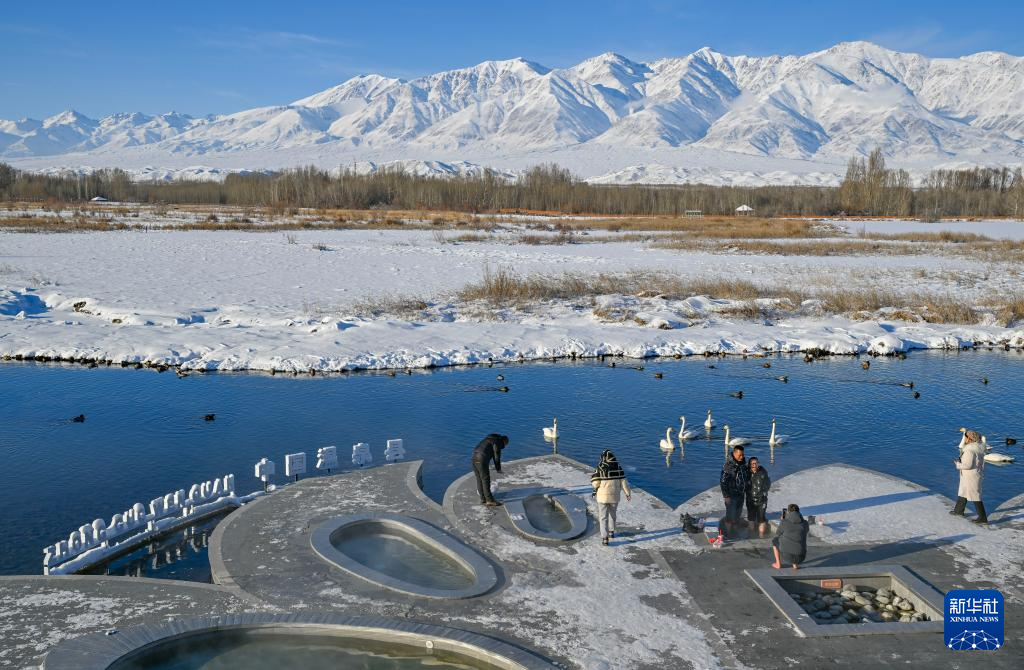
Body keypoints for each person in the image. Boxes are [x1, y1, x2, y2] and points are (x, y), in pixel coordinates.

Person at [591, 449, 631, 546]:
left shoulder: (600, 467)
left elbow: (596, 483)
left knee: (603, 517)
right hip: (614, 497)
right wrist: (627, 493)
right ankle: (611, 532)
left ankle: (605, 538)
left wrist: (594, 485)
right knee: (612, 515)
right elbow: (624, 483)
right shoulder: (618, 468)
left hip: (602, 498)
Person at [951, 429, 987, 524]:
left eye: (966, 436)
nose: (965, 438)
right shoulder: (978, 448)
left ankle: (982, 518)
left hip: (970, 476)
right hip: (974, 475)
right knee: (964, 491)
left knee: (975, 495)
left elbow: (968, 465)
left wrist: (957, 464)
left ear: (970, 439)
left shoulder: (969, 450)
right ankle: (958, 510)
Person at [472, 434, 508, 507]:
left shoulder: (488, 439)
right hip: (481, 458)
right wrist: (498, 469)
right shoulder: (497, 442)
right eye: (505, 445)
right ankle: (489, 500)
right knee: (485, 479)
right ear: (503, 442)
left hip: (474, 457)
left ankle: (483, 499)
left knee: (479, 479)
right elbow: (496, 456)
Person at [720, 446, 749, 531]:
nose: (742, 457)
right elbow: (723, 482)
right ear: (734, 453)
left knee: (737, 515)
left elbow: (745, 477)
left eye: (743, 454)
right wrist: (726, 496)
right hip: (731, 495)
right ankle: (728, 533)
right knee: (730, 516)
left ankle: (735, 532)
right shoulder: (728, 465)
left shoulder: (743, 463)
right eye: (740, 455)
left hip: (740, 494)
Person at [772, 503, 809, 570]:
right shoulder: (805, 523)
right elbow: (805, 531)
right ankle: (795, 565)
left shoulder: (784, 522)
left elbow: (778, 533)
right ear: (798, 512)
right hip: (801, 557)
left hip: (787, 556)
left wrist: (782, 521)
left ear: (788, 512)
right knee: (797, 540)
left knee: (775, 540)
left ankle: (778, 564)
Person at [747, 457, 771, 536]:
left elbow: (768, 484)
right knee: (751, 518)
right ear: (749, 464)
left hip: (761, 500)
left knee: (761, 519)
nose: (754, 465)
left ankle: (761, 536)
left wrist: (763, 492)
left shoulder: (763, 472)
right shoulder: (746, 473)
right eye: (752, 463)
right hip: (750, 500)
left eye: (756, 463)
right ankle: (751, 535)